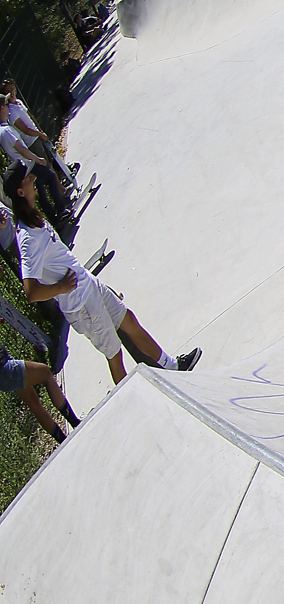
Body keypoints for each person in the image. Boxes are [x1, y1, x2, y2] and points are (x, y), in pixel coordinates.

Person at [5, 164, 197, 385]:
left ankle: (173, 367)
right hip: (80, 304)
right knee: (114, 353)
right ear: (20, 191)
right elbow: (31, 291)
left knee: (129, 321)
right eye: (27, 178)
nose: (32, 177)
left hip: (89, 285)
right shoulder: (28, 238)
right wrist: (60, 288)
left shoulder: (34, 219)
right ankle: (132, 402)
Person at [0, 344, 78, 443]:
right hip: (5, 369)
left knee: (33, 403)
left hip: (4, 376)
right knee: (45, 373)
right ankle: (75, 423)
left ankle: (63, 442)